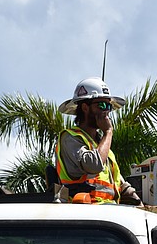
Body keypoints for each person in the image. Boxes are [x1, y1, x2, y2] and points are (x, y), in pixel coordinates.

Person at [55, 77, 143, 205]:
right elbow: (93, 165)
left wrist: (140, 204)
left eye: (109, 106)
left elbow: (121, 184)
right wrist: (108, 132)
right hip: (85, 212)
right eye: (102, 105)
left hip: (107, 211)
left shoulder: (103, 147)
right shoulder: (70, 138)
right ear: (85, 108)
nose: (106, 111)